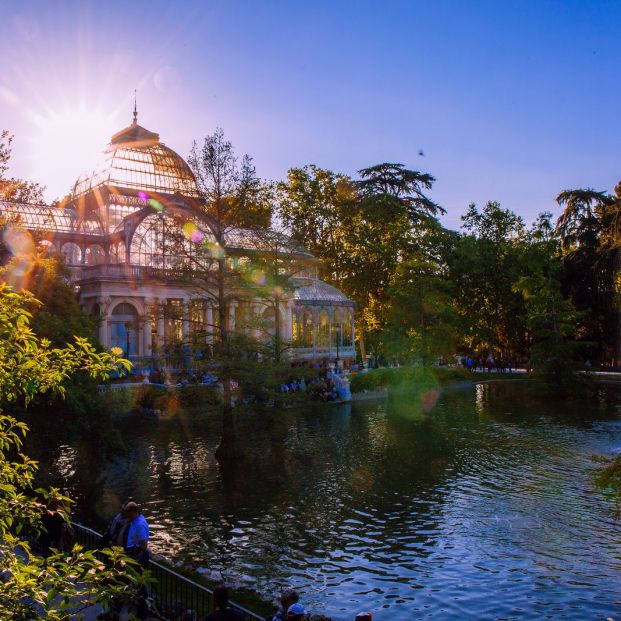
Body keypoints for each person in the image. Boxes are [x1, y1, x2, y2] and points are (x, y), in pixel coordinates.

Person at [124, 502, 150, 619]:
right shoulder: (135, 521)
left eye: (128, 513)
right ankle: (139, 608)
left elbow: (144, 545)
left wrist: (134, 551)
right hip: (134, 555)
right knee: (136, 583)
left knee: (140, 585)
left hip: (138, 558)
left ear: (134, 512)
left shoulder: (139, 524)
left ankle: (142, 612)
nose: (127, 516)